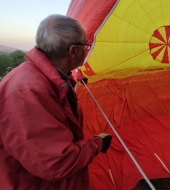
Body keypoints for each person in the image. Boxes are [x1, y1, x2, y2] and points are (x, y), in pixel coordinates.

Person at [0, 14, 112, 190]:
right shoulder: (27, 93)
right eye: (86, 46)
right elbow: (57, 163)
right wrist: (97, 144)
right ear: (73, 51)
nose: (87, 50)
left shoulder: (51, 78)